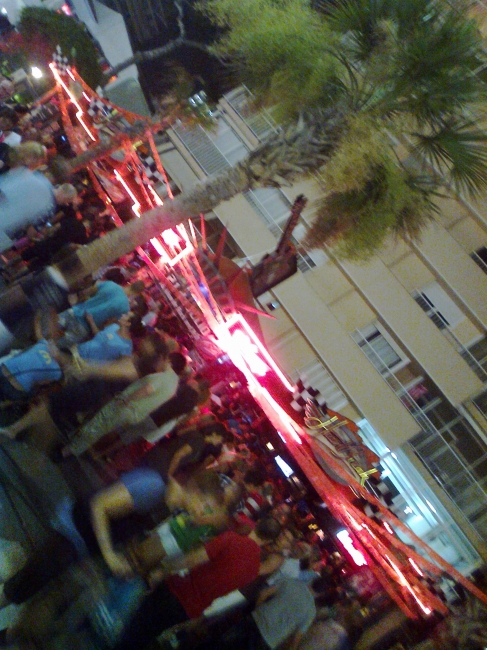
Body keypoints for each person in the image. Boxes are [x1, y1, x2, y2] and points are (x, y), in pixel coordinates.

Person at [0, 469, 227, 612]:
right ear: (195, 489)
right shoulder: (154, 486)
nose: (203, 515)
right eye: (206, 507)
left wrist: (121, 556)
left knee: (29, 588)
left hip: (81, 543)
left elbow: (125, 524)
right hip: (74, 532)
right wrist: (109, 555)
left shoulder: (168, 505)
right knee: (21, 587)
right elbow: (100, 504)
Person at [112, 516, 282, 650]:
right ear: (269, 542)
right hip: (190, 610)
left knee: (136, 626)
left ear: (257, 523)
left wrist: (164, 570)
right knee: (146, 636)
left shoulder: (232, 539)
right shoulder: (254, 570)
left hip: (176, 590)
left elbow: (194, 559)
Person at [202, 577, 321, 650]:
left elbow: (263, 594)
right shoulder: (311, 611)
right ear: (321, 594)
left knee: (221, 643)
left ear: (312, 581)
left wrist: (257, 609)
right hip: (267, 641)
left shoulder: (290, 582)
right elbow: (296, 638)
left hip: (255, 619)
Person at [57, 279, 145, 347]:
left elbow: (87, 292)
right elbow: (108, 325)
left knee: (49, 328)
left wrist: (82, 304)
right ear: (137, 294)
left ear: (131, 283)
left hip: (75, 311)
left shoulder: (110, 284)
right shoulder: (125, 308)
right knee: (58, 345)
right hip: (84, 327)